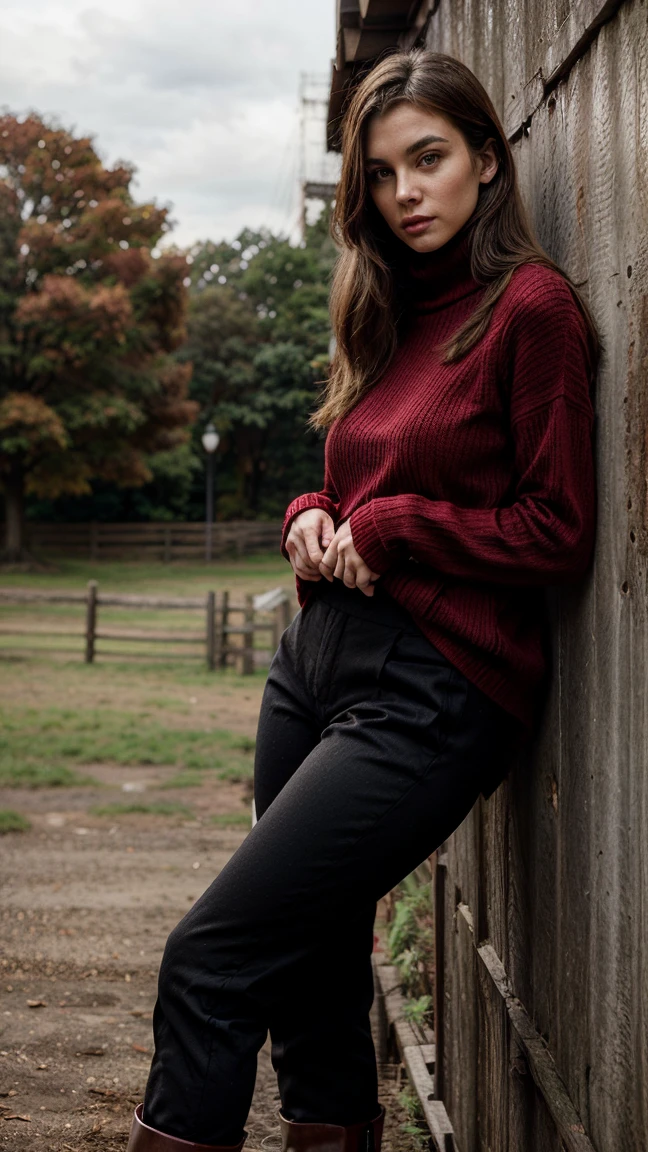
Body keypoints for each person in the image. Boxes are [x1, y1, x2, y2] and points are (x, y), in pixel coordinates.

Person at [126, 49, 597, 1152]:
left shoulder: (531, 311)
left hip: (436, 686)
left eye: (428, 160)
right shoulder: (385, 309)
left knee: (211, 958)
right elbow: (353, 476)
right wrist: (310, 513)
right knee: (312, 962)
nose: (406, 194)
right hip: (316, 664)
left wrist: (393, 529)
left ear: (488, 157)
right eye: (382, 174)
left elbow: (557, 529)